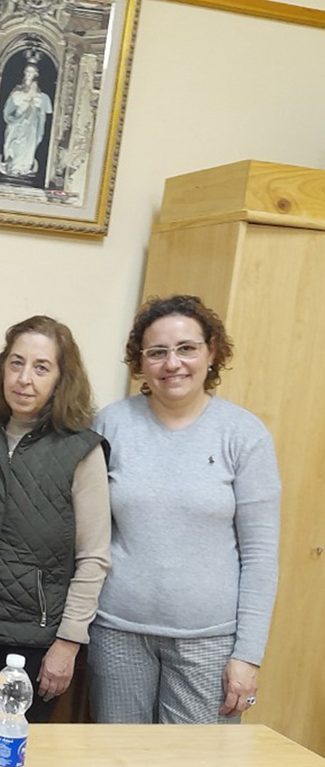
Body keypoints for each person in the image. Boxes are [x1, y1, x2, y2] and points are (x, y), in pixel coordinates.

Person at [89, 295, 281, 724]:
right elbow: (87, 533)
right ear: (140, 362)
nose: (172, 363)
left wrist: (248, 656)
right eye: (157, 352)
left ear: (212, 353)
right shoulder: (111, 425)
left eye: (186, 348)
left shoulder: (243, 434)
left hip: (209, 644)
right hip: (118, 632)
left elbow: (260, 556)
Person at [0, 315, 109, 723]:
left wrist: (68, 643)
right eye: (16, 363)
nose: (24, 379)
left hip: (35, 647)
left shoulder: (81, 451)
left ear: (61, 379)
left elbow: (93, 557)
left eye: (41, 367)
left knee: (14, 761)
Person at [0, 62, 52, 180]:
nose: (29, 74)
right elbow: (7, 111)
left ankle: (23, 167)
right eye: (27, 71)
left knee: (28, 145)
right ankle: (11, 166)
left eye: (32, 72)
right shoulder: (17, 92)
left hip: (31, 126)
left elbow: (43, 114)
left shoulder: (41, 97)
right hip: (16, 124)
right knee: (13, 143)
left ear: (36, 74)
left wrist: (35, 104)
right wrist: (21, 108)